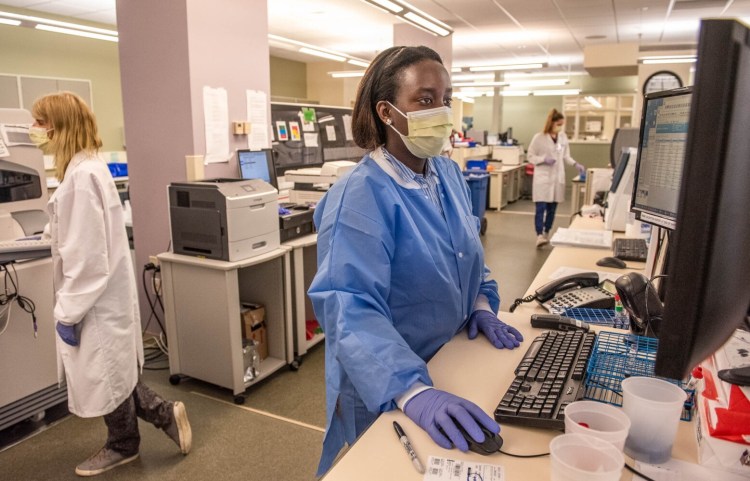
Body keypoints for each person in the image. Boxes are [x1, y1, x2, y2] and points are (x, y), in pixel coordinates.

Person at [307, 46, 524, 475]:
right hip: (390, 386)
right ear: (387, 112)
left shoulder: (447, 174)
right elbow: (349, 308)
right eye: (425, 100)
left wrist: (481, 304)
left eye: (445, 99)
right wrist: (413, 393)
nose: (440, 111)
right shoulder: (359, 196)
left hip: (452, 361)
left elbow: (470, 259)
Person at [30, 92, 192, 477]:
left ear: (58, 126)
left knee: (104, 373)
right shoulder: (87, 169)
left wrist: (68, 312)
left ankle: (124, 443)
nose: (36, 131)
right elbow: (74, 229)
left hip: (94, 298)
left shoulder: (81, 178)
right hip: (104, 297)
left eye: (40, 123)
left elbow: (87, 257)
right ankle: (162, 414)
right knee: (112, 371)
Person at [527, 108, 585, 247]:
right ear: (551, 123)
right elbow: (530, 156)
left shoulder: (563, 137)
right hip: (543, 178)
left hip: (557, 177)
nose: (560, 127)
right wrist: (543, 159)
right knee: (540, 208)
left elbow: (566, 156)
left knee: (552, 209)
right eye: (558, 124)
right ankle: (539, 235)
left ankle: (547, 232)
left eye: (561, 124)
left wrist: (575, 164)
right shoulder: (539, 137)